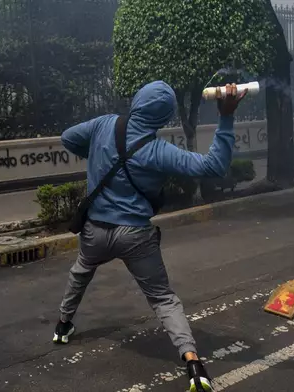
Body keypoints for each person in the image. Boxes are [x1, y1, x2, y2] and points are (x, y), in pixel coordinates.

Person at [53, 81, 247, 392]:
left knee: (81, 271)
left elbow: (67, 138)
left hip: (95, 232)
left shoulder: (104, 124)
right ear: (165, 116)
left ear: (137, 101)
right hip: (135, 236)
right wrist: (225, 116)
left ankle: (63, 325)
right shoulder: (159, 150)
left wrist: (93, 154)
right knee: (163, 298)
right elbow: (214, 165)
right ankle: (193, 362)